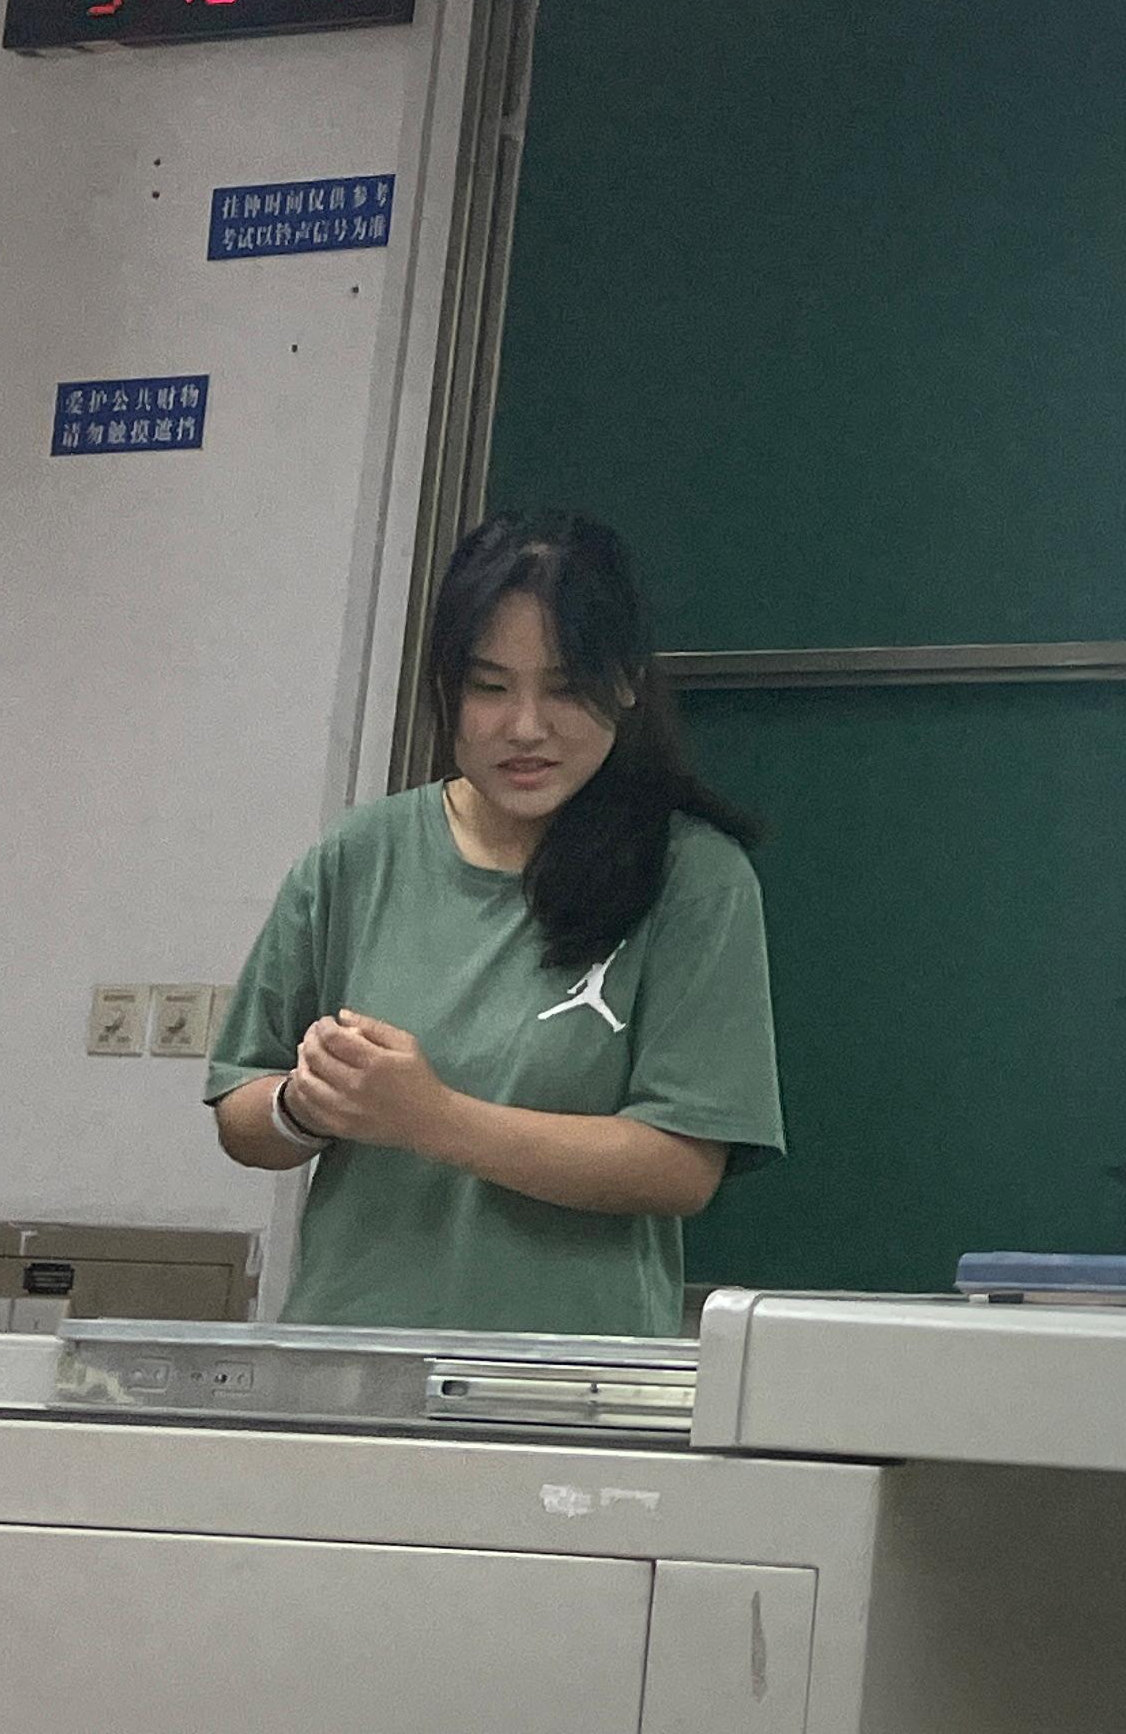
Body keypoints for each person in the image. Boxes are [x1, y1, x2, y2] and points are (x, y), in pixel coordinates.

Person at [207, 512, 782, 1335]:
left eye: (565, 688)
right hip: (351, 1357)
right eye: (489, 687)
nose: (525, 727)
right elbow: (241, 1108)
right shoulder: (357, 855)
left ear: (625, 684)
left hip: (569, 1377)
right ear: (447, 687)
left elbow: (680, 1166)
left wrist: (432, 1118)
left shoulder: (692, 877)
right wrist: (307, 1103)